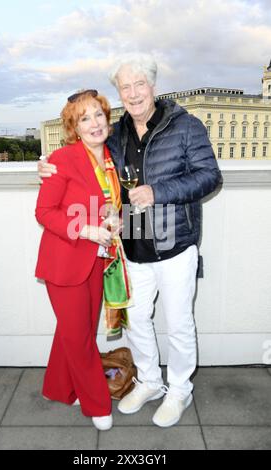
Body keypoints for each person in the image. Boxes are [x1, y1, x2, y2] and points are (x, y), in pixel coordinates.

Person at [38, 53, 222, 428]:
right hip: (133, 245)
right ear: (119, 92)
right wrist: (45, 162)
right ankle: (150, 382)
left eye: (140, 84)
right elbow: (86, 163)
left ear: (153, 86)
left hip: (174, 243)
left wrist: (160, 191)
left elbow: (210, 177)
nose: (134, 93)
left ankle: (179, 390)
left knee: (180, 322)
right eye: (126, 86)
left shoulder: (186, 126)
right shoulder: (117, 132)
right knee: (137, 320)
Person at [35, 89, 125, 431]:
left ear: (107, 118)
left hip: (96, 262)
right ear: (75, 127)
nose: (94, 123)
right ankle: (96, 404)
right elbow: (44, 212)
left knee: (77, 331)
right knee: (81, 339)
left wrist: (114, 219)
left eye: (98, 115)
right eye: (84, 118)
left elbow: (109, 202)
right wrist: (86, 230)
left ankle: (56, 388)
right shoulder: (63, 158)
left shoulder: (110, 159)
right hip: (64, 263)